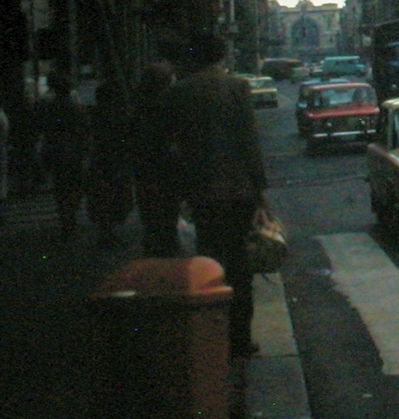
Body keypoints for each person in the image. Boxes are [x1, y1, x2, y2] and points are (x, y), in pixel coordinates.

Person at [161, 33, 268, 358]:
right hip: (237, 190)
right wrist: (259, 188)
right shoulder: (237, 88)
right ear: (222, 55)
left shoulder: (179, 91)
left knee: (209, 260)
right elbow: (248, 141)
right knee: (240, 265)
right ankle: (240, 338)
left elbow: (172, 145)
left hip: (200, 191)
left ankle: (214, 335)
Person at [132, 60, 178, 256]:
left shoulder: (138, 106)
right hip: (167, 170)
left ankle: (154, 253)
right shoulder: (170, 105)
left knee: (151, 218)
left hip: (145, 171)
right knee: (168, 217)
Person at [37, 73, 90, 239]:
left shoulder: (50, 107)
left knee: (61, 189)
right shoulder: (75, 107)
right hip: (73, 152)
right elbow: (83, 130)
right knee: (74, 188)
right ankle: (70, 220)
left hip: (57, 152)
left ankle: (66, 222)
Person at [87, 76, 135, 248]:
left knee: (103, 198)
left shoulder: (94, 114)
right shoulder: (118, 116)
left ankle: (106, 233)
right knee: (114, 197)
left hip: (100, 162)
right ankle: (109, 233)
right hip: (114, 162)